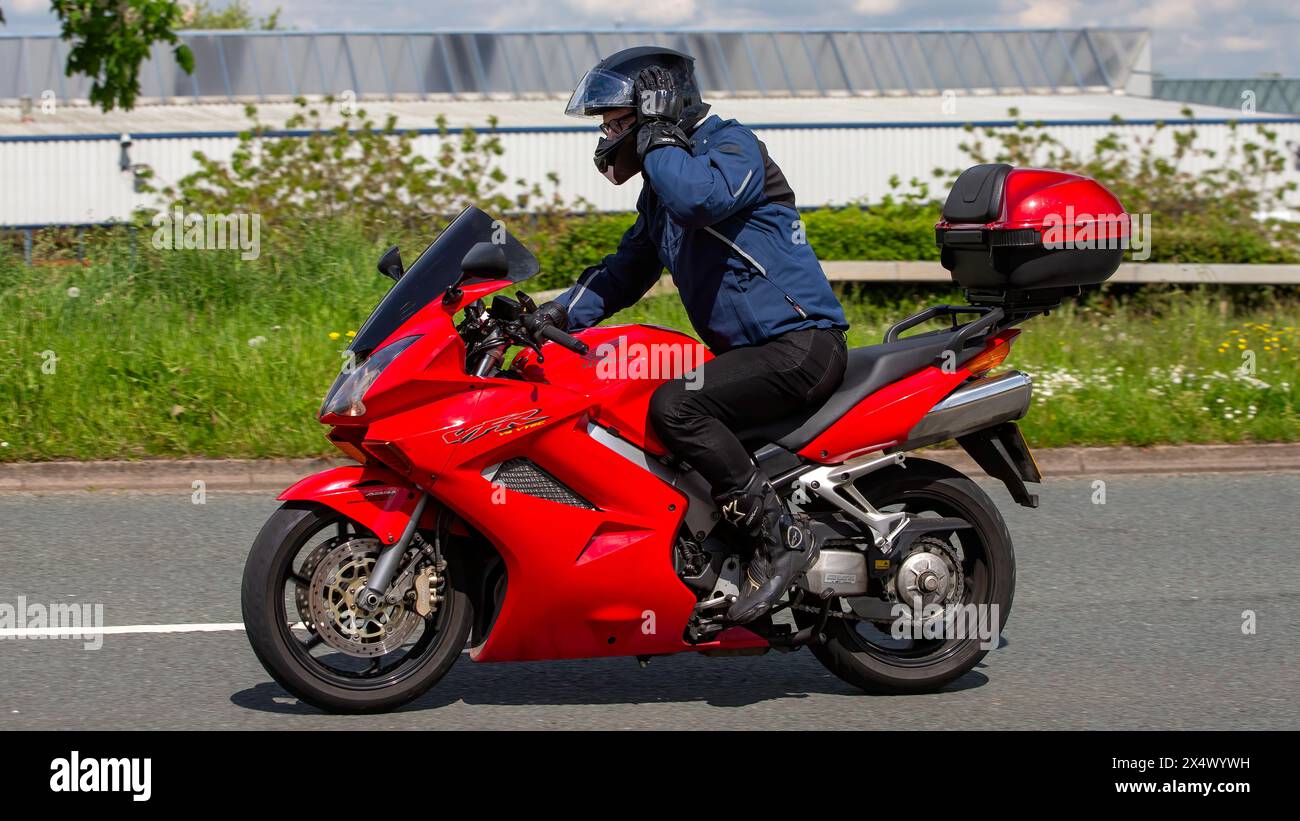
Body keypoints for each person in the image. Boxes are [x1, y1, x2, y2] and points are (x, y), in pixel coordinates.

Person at [544, 46, 849, 624]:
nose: (609, 135)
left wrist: (656, 134)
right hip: (754, 355)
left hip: (801, 346)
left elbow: (697, 200)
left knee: (677, 406)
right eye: (606, 124)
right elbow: (625, 270)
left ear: (662, 106)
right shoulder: (663, 186)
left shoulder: (732, 149)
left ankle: (781, 539)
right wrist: (553, 318)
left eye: (617, 120)